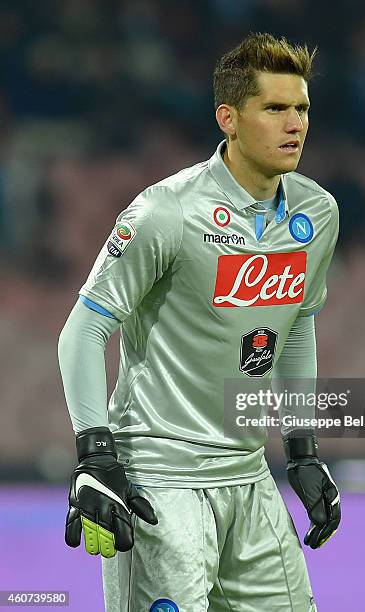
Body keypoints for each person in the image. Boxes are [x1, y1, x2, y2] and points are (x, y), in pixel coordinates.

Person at [58, 32, 341, 612]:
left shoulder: (318, 212)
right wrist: (95, 456)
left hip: (248, 471)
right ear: (228, 118)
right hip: (161, 480)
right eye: (275, 108)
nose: (296, 124)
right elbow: (82, 332)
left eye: (302, 108)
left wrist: (304, 450)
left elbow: (296, 334)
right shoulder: (167, 211)